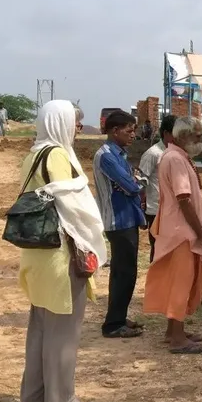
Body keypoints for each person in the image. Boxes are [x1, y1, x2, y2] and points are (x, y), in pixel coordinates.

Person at [19, 101, 110, 402]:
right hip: (60, 255)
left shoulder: (34, 154)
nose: (77, 128)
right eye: (73, 122)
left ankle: (34, 399)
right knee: (63, 332)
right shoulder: (57, 155)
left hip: (36, 254)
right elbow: (73, 208)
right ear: (60, 123)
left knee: (41, 327)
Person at [143, 117, 202, 354]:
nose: (200, 140)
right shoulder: (175, 159)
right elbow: (184, 200)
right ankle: (178, 339)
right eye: (197, 136)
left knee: (179, 282)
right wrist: (201, 236)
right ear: (181, 137)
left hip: (180, 232)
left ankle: (174, 331)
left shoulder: (179, 158)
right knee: (181, 283)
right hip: (182, 233)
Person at [92, 109, 146, 339]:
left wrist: (135, 181)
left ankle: (119, 317)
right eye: (129, 130)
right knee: (123, 273)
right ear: (115, 131)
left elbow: (134, 181)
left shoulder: (119, 154)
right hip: (118, 219)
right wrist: (136, 182)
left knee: (125, 272)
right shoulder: (107, 156)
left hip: (127, 217)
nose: (133, 135)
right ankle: (113, 324)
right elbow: (133, 185)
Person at [138, 115, 176, 262]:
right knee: (159, 250)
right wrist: (141, 212)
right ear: (166, 133)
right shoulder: (153, 154)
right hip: (156, 210)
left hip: (173, 210)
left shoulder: (176, 153)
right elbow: (141, 182)